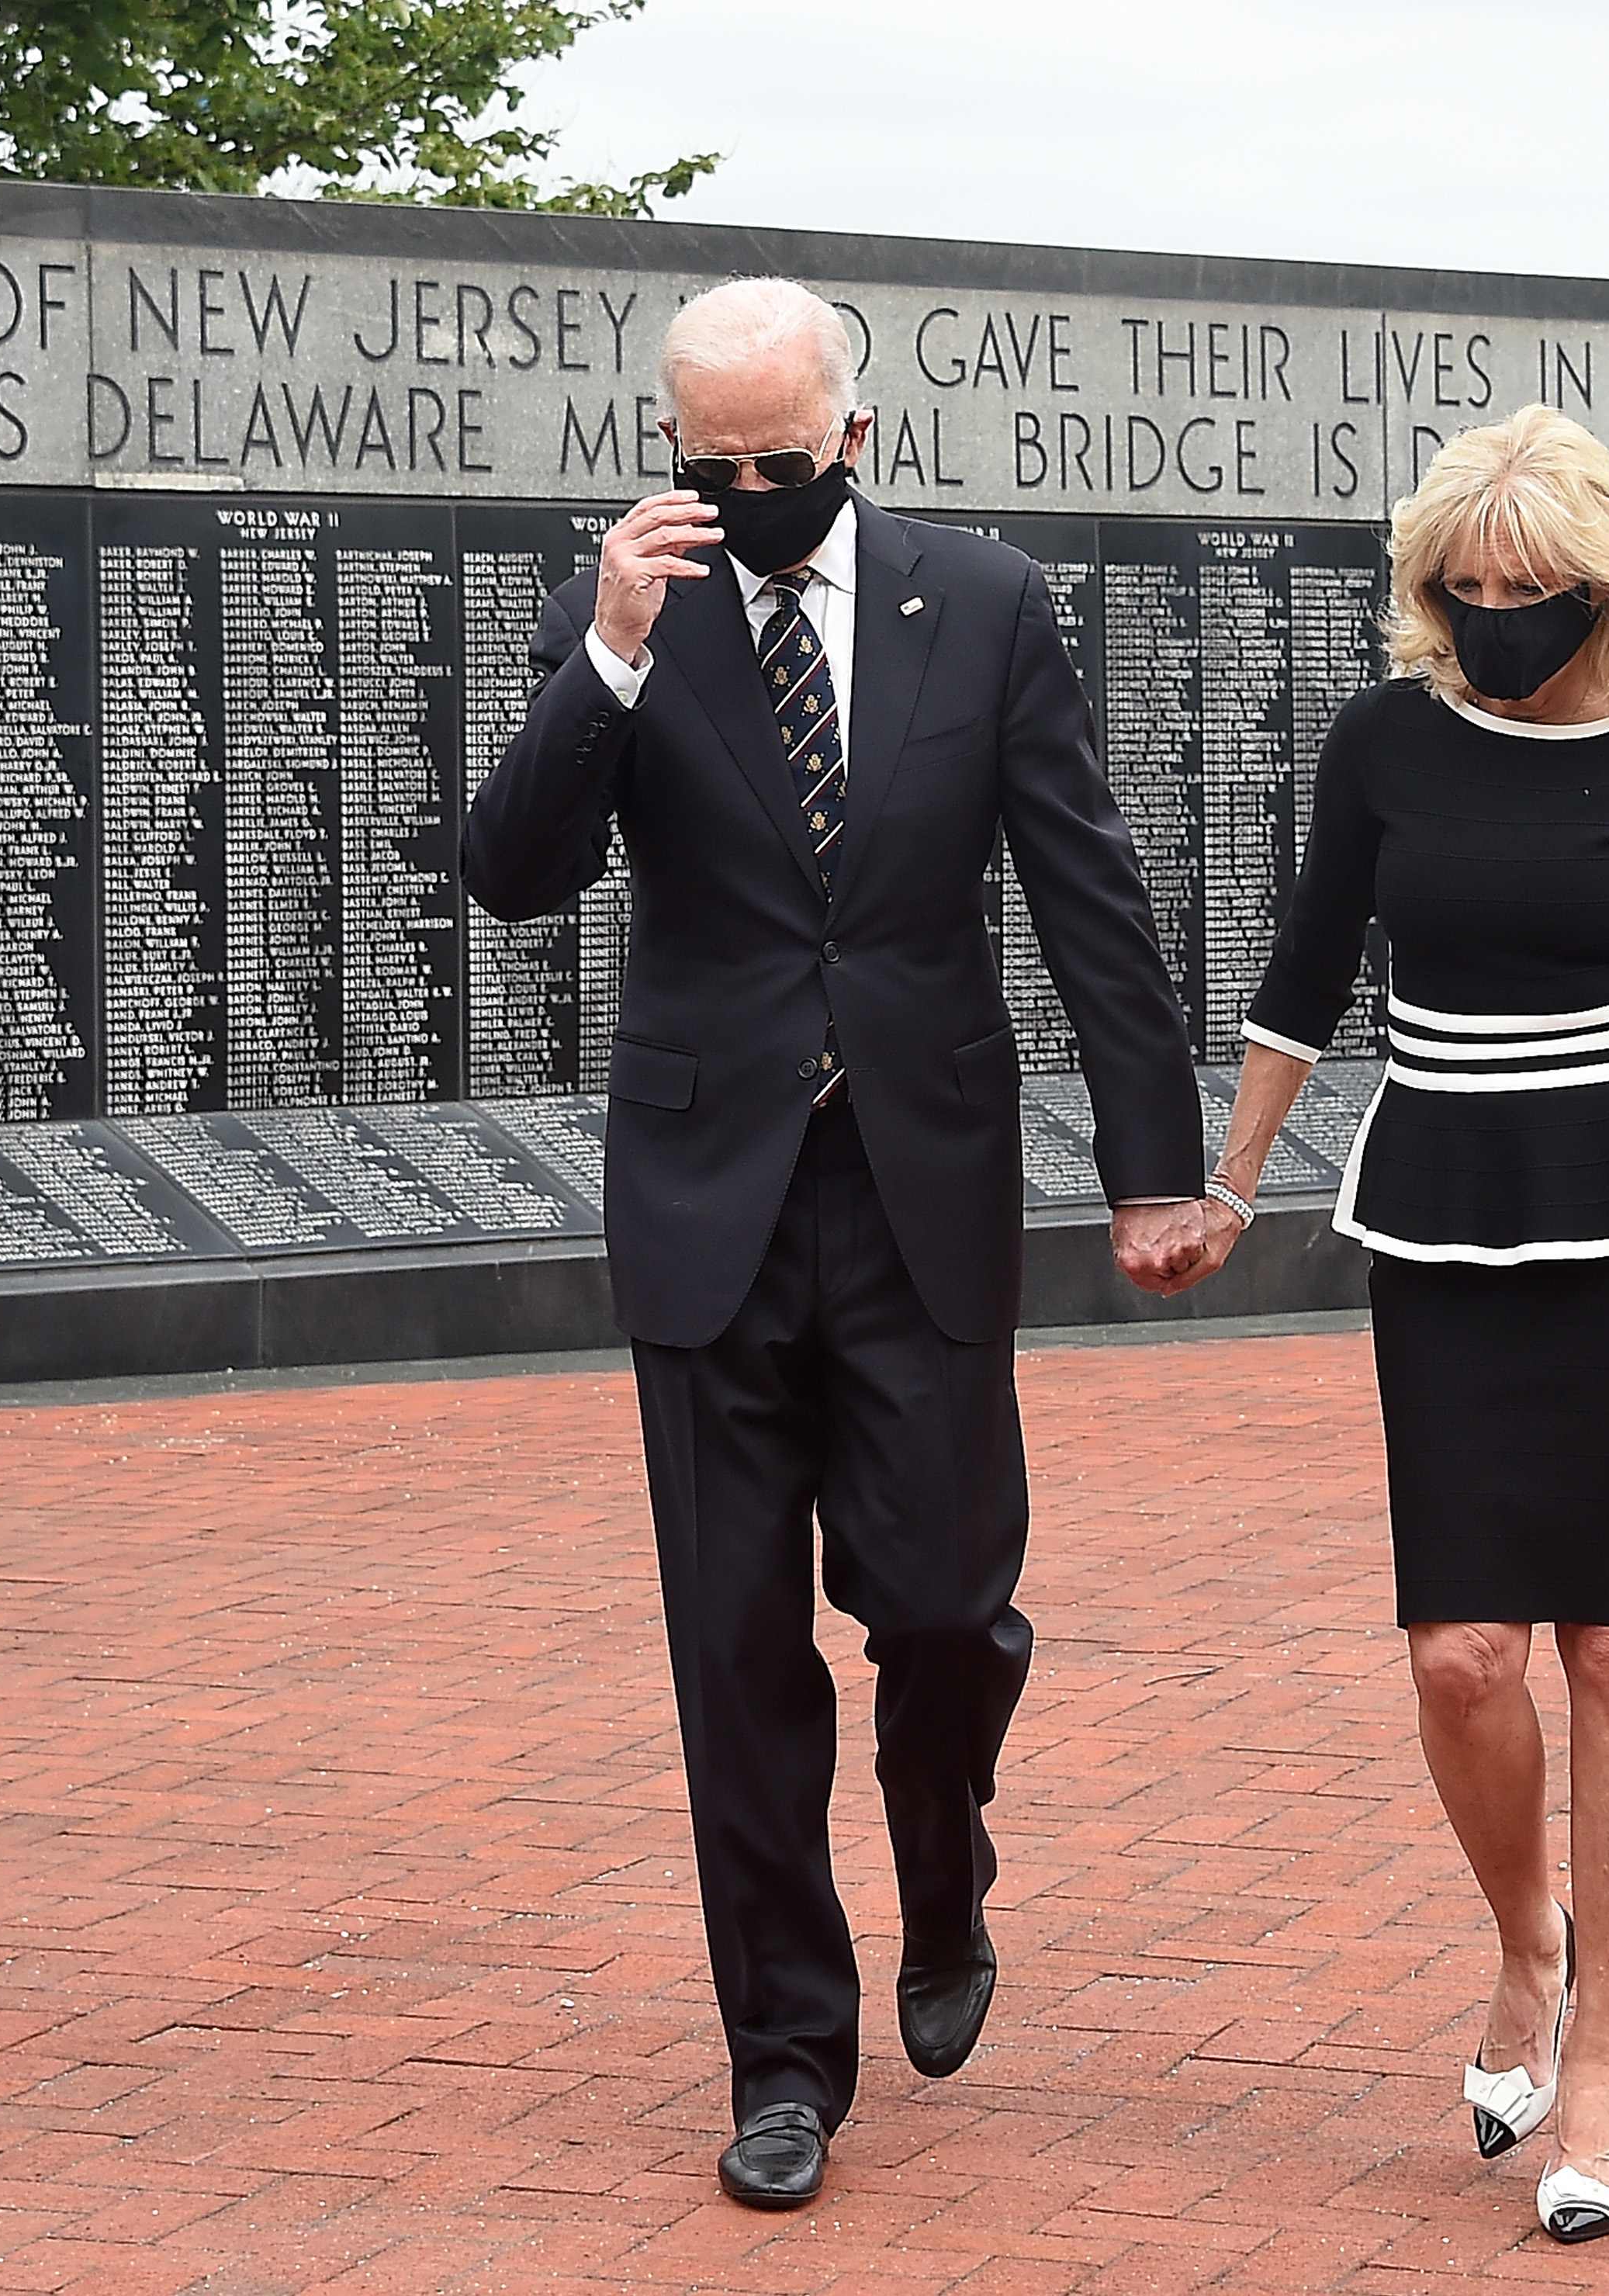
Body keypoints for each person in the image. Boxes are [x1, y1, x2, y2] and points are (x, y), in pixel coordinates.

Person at [463, 276, 1213, 2211]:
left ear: (855, 439)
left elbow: (1089, 893)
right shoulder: (624, 605)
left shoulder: (981, 602)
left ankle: (944, 1862)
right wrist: (612, 657)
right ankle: (785, 2056)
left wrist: (1154, 1166)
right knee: (735, 1653)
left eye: (778, 463)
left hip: (919, 1192)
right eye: (707, 464)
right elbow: (514, 875)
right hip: (709, 1204)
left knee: (946, 1609)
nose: (744, 493)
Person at [1185, 404, 1609, 2244]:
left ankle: (1606, 2061)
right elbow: (1303, 978)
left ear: (1601, 589)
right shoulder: (1384, 742)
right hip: (1447, 1227)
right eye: (1462, 587)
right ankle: (1523, 1939)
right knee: (1463, 1656)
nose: (1492, 616)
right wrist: (1229, 1190)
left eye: (1527, 588)